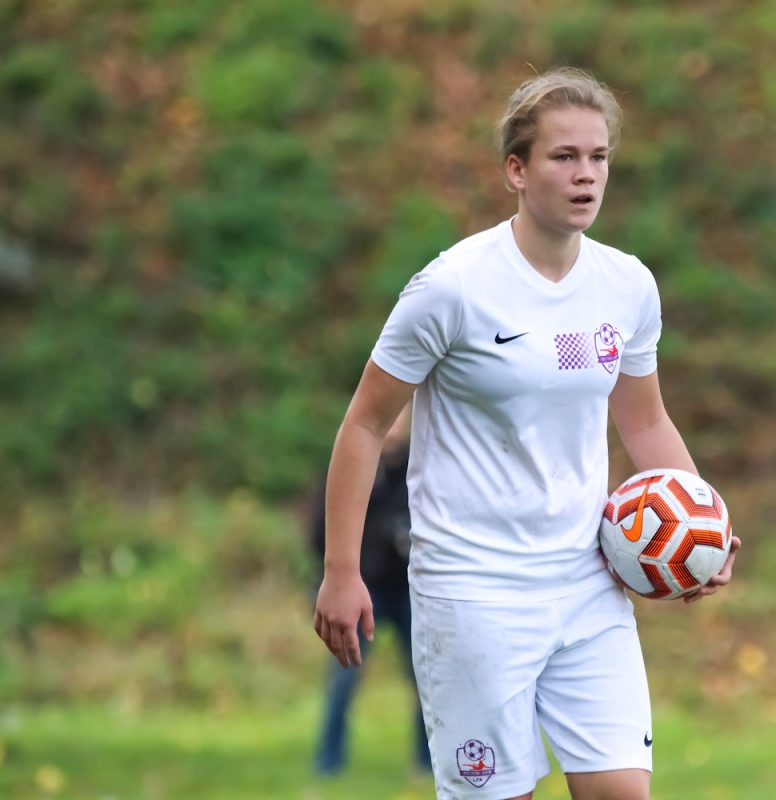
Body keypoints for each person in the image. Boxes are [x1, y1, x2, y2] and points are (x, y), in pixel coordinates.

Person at [313, 67, 742, 800]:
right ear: (517, 170)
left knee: (621, 793)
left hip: (587, 578)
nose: (586, 175)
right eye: (564, 156)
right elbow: (364, 424)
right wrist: (341, 570)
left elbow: (644, 421)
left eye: (598, 157)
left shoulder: (626, 286)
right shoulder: (452, 288)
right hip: (472, 589)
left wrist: (704, 528)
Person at [308, 405, 431, 777]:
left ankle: (427, 762)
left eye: (400, 416)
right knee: (343, 678)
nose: (392, 425)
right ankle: (328, 762)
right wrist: (337, 578)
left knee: (427, 678)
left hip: (411, 590)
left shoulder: (422, 466)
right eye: (388, 416)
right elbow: (320, 528)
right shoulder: (352, 463)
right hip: (364, 589)